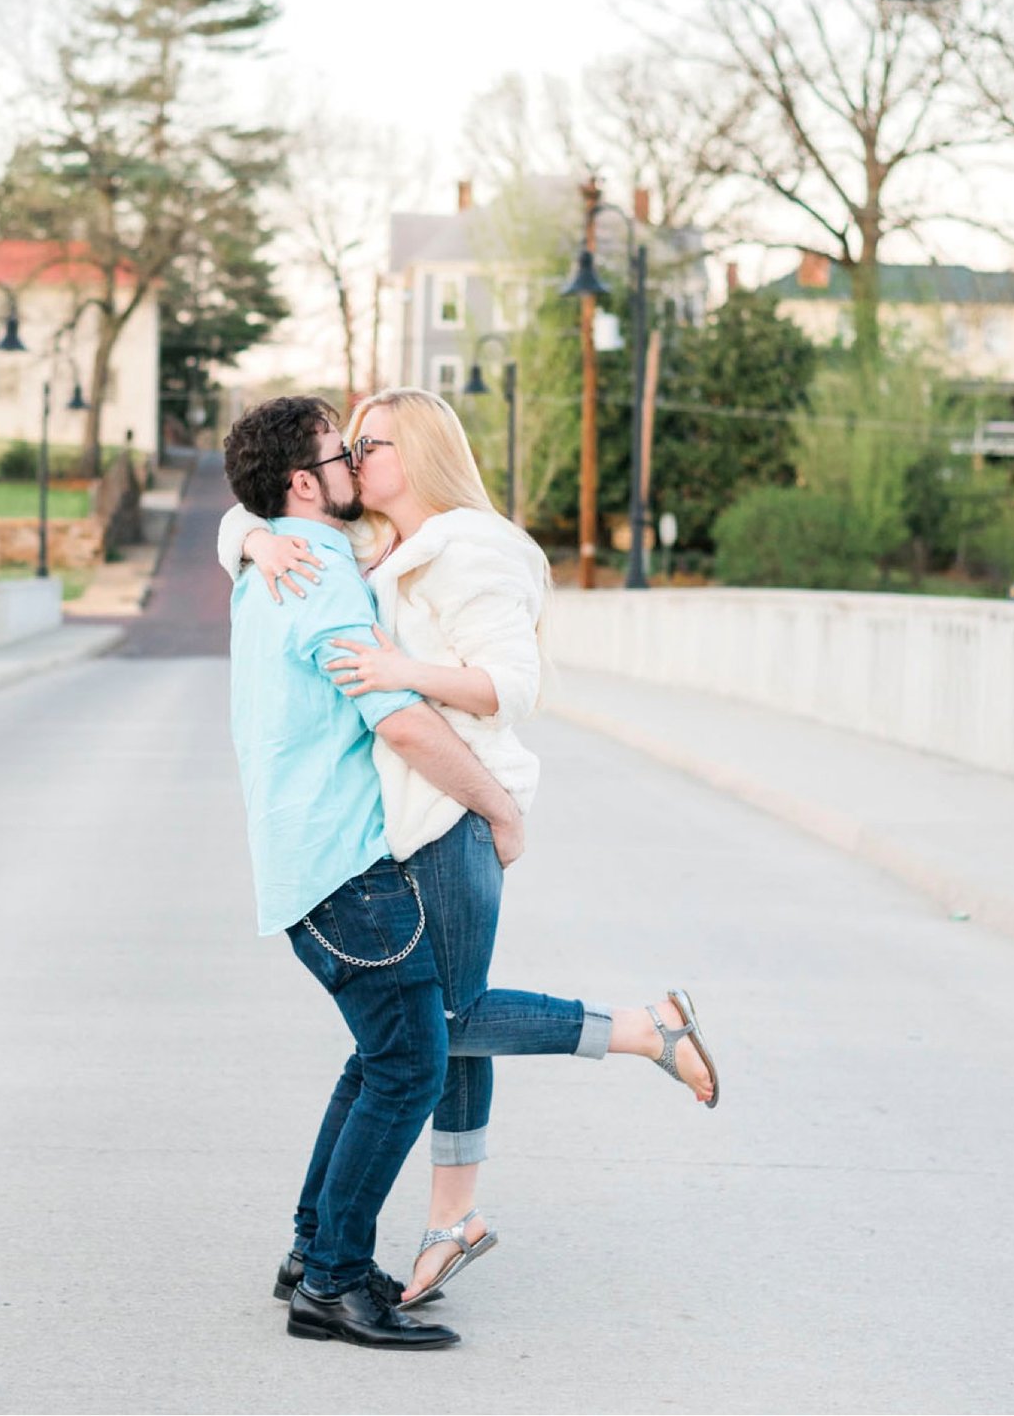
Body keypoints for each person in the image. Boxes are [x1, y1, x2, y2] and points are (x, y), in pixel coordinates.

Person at [221, 386, 719, 1305]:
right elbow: (258, 506)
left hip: (449, 816)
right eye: (348, 445)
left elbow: (510, 684)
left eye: (371, 442)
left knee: (433, 1029)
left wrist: (484, 790)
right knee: (415, 1038)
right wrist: (252, 535)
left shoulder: (474, 546)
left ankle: (640, 1037)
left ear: (416, 450)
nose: (357, 457)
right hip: (395, 828)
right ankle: (420, 1226)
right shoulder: (362, 547)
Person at [222, 395, 526, 1352]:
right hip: (341, 867)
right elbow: (396, 716)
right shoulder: (316, 574)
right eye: (337, 452)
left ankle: (315, 1249)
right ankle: (333, 1281)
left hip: (304, 859)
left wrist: (246, 531)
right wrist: (498, 804)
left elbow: (248, 522)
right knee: (410, 1062)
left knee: (379, 1055)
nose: (355, 460)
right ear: (306, 483)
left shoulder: (282, 554)